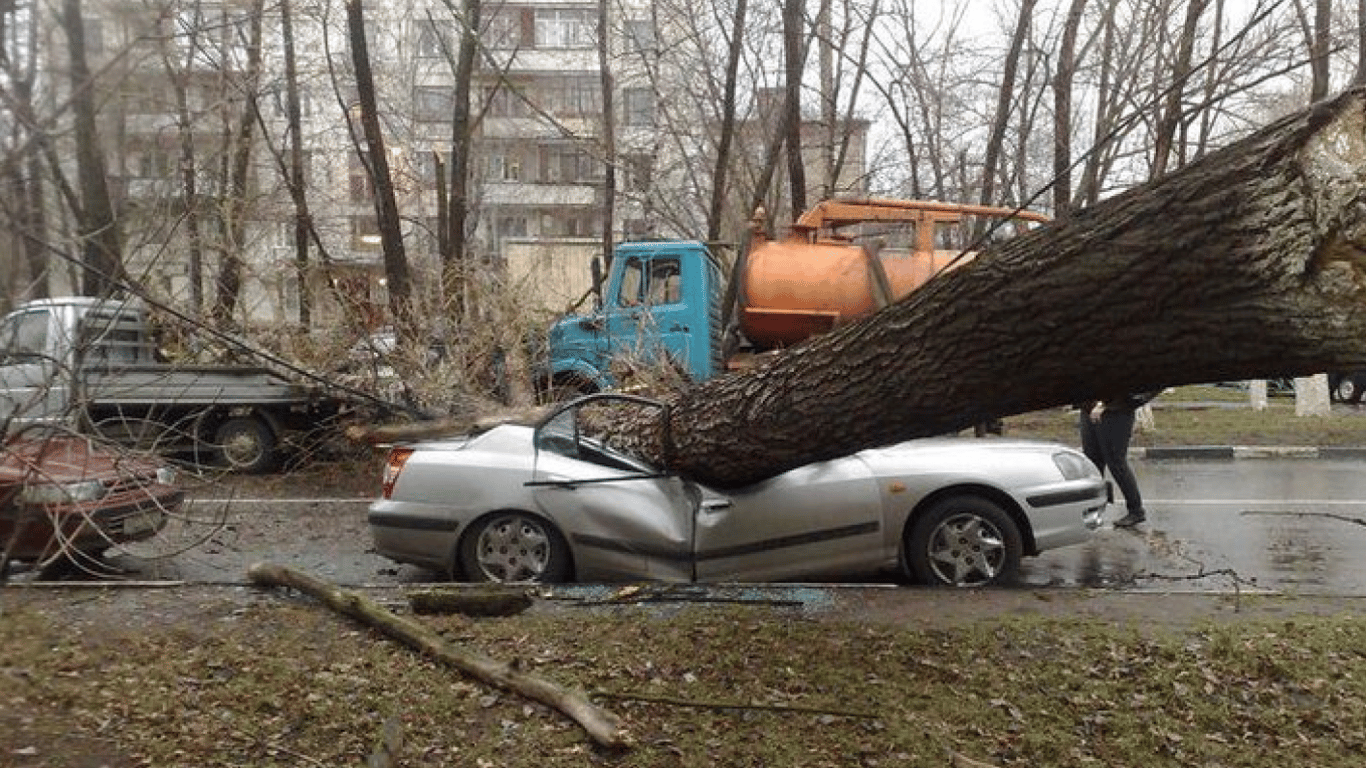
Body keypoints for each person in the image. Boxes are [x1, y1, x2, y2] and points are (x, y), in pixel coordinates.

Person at [1077, 392, 1159, 528]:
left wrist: (1105, 405)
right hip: (1088, 409)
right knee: (1093, 463)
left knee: (1116, 462)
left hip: (1116, 412)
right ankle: (1094, 510)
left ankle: (1136, 510)